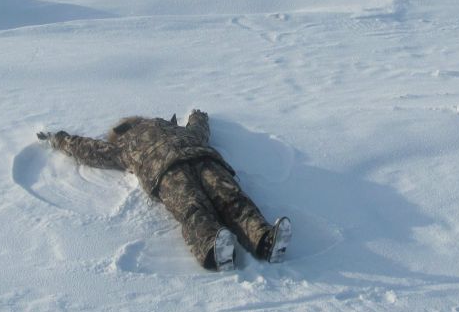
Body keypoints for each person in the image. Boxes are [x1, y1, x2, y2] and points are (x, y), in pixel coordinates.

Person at [37, 110, 290, 271]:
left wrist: (198, 116)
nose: (138, 121)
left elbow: (198, 131)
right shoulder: (124, 146)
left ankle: (265, 239)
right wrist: (59, 139)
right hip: (166, 172)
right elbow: (90, 149)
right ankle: (213, 246)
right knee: (193, 208)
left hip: (201, 158)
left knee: (232, 198)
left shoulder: (174, 129)